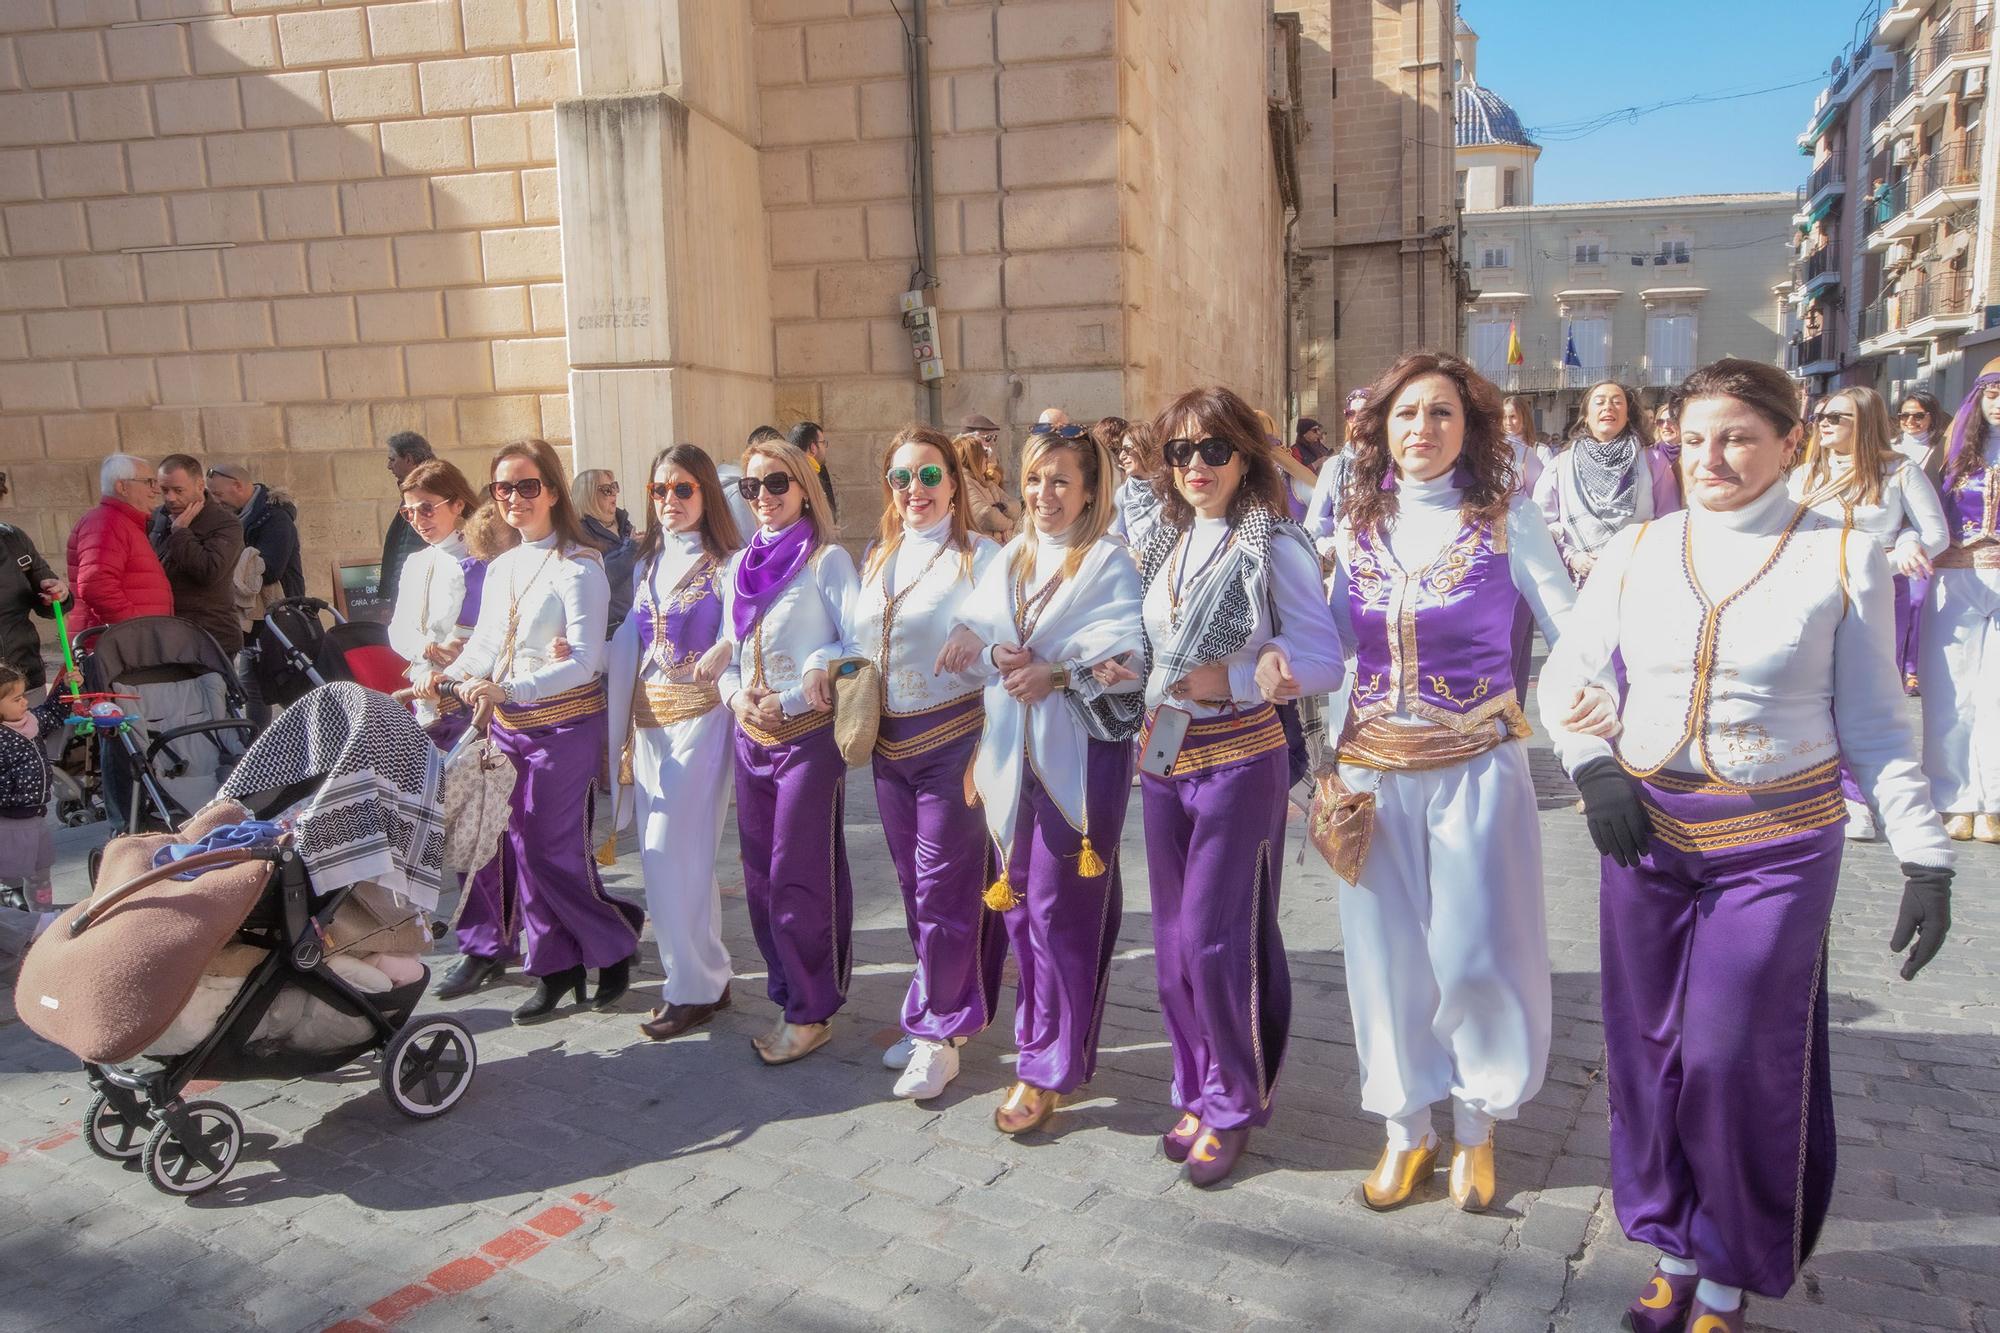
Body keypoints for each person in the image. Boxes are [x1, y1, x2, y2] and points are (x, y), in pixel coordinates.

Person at [1541, 357, 1952, 1333]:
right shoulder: (1637, 546)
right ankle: (1671, 1243)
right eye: (1689, 438)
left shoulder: (1838, 552)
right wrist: (1590, 766)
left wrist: (1924, 855)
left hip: (1774, 842)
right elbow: (1563, 673)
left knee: (1727, 1055)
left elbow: (1878, 723)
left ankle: (1725, 1271)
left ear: (1785, 439)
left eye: (1733, 436)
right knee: (1646, 1051)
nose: (1708, 457)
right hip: (1642, 831)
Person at [1322, 352, 1585, 1215]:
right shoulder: (1358, 528)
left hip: (1478, 767)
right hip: (1371, 774)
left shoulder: (1509, 520)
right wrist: (1316, 737)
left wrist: (1597, 710)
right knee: (1385, 960)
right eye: (1406, 414)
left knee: (1477, 952)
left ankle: (1476, 1128)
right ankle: (1406, 1132)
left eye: (1441, 413)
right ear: (1381, 429)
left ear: (1469, 427)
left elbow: (1572, 630)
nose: (1422, 429)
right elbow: (1334, 650)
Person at [1127, 387, 1344, 1186]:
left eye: (1212, 449)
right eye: (1179, 451)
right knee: (1174, 947)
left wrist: (1259, 675)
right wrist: (1131, 669)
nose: (1195, 466)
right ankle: (1195, 1082)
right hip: (1165, 752)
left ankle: (1233, 1098)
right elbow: (1155, 644)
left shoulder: (1274, 543)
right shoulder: (1161, 543)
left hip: (1242, 756)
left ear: (1246, 455)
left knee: (1220, 940)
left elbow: (1323, 658)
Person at [949, 424, 1144, 1136]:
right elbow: (972, 648)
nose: (1044, 494)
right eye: (1034, 479)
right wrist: (984, 647)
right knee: (1021, 906)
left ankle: (1047, 1064)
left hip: (1079, 759)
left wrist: (1057, 671)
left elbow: (1132, 654)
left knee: (1064, 909)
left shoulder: (1109, 564)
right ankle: (1047, 1042)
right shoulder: (1009, 559)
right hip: (1010, 757)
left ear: (1090, 488)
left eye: (1061, 480)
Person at [427, 440, 643, 1023]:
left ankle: (616, 939)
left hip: (564, 727)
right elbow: (485, 645)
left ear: (551, 489)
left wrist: (510, 690)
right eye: (503, 488)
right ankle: (555, 967)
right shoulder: (502, 567)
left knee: (552, 850)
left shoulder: (581, 567)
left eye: (527, 486)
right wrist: (442, 677)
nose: (515, 499)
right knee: (520, 848)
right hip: (506, 728)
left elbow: (586, 662)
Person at [848, 425, 1005, 1101]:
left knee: (942, 887)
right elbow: (856, 639)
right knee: (918, 893)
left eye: (930, 475)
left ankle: (937, 1034)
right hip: (890, 749)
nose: (916, 490)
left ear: (955, 482)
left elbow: (1022, 631)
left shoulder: (984, 556)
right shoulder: (877, 555)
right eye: (902, 478)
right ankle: (949, 1009)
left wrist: (983, 627)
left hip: (957, 744)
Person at [717, 437, 860, 1065]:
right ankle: (786, 993)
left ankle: (811, 1008)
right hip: (751, 735)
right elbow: (728, 650)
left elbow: (857, 644)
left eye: (778, 484)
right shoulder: (738, 565)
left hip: (807, 737)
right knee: (760, 877)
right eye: (752, 488)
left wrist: (800, 693)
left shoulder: (826, 562)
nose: (765, 499)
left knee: (800, 871)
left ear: (804, 487)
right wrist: (734, 700)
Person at [605, 444, 743, 1042]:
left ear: (706, 493)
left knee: (663, 850)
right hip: (648, 725)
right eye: (660, 491)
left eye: (683, 489)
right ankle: (708, 973)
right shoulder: (645, 563)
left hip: (704, 720)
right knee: (682, 859)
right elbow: (629, 643)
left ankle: (689, 988)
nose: (670, 502)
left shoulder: (731, 564)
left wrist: (730, 648)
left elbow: (750, 632)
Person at [1791, 387, 1947, 840]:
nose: (1822, 423)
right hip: (1812, 593)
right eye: (1820, 415)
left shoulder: (1899, 471)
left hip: (1876, 593)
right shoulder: (1804, 476)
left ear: (1863, 422)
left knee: (1866, 695)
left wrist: (1902, 548)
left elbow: (1935, 533)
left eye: (1835, 417)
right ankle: (1815, 789)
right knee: (1810, 692)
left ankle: (1858, 798)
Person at [388, 460, 511, 1002]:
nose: (417, 519)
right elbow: (399, 626)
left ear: (458, 504)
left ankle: (487, 944)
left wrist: (458, 656)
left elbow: (494, 628)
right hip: (427, 700)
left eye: (427, 508)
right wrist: (422, 654)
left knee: (479, 828)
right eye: (408, 510)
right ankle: (484, 936)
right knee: (449, 828)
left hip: (476, 704)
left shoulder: (488, 557)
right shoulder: (417, 562)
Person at [1922, 368, 2000, 841]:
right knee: (1951, 693)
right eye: (1993, 394)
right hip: (1955, 576)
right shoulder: (1948, 455)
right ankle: (1954, 797)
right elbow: (1920, 511)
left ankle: (1994, 799)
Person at [1533, 380, 1679, 584]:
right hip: (1577, 583)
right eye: (1599, 402)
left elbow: (1670, 522)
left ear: (1628, 415)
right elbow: (1542, 524)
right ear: (1585, 417)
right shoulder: (1560, 465)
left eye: (1617, 402)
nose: (1608, 407)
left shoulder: (1653, 461)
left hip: (1637, 580)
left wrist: (1636, 557)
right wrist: (1572, 557)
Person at [206, 461, 302, 725]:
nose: (214, 500)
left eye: (218, 493)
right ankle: (258, 746)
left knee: (286, 686)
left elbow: (270, 569)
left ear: (238, 486)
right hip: (254, 621)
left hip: (279, 618)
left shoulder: (275, 518)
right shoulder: (235, 518)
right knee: (253, 688)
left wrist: (229, 560)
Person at [0, 662, 81, 917]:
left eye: (23, 695)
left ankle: (42, 916)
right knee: (9, 874)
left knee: (40, 871)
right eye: (16, 699)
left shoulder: (30, 721)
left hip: (36, 816)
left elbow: (53, 712)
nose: (24, 702)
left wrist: (65, 687)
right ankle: (10, 921)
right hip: (9, 820)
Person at [148, 455, 247, 657]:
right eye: (164, 490)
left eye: (178, 490)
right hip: (167, 634)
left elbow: (209, 571)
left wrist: (181, 533)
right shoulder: (159, 516)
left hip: (210, 636)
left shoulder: (225, 523)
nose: (170, 498)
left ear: (200, 485)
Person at [67, 456, 172, 635]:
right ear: (122, 487)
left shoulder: (124, 523)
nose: (155, 490)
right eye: (149, 482)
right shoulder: (107, 523)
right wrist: (139, 632)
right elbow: (97, 586)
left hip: (129, 646)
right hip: (118, 647)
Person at [1894, 388, 1950, 692]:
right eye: (1904, 415)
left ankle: (1912, 668)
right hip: (1894, 535)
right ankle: (1896, 664)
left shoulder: (1944, 451)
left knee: (1917, 602)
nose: (1910, 421)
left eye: (1918, 415)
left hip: (1927, 536)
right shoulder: (1888, 449)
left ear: (1932, 417)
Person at [0, 472, 70, 703]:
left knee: (32, 738)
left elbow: (50, 601)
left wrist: (58, 594)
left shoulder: (13, 540)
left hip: (24, 680)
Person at [1303, 387, 1371, 546]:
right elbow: (1313, 528)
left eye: (1365, 413)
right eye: (1351, 414)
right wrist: (1332, 550)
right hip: (1347, 561)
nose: (1357, 420)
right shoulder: (1333, 467)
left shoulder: (1396, 465)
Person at [575, 468, 638, 636]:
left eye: (615, 487)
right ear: (588, 496)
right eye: (607, 490)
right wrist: (632, 548)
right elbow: (599, 575)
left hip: (636, 620)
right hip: (608, 628)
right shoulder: (580, 534)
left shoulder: (624, 523)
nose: (614, 494)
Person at [381, 431, 435, 605]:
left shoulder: (432, 489)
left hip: (423, 592)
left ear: (409, 459)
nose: (389, 466)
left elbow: (411, 548)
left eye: (392, 459)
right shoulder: (413, 491)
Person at [1109, 420, 1165, 553]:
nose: (1122, 456)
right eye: (1121, 450)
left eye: (1127, 449)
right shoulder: (1122, 494)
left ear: (1145, 448)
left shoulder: (1171, 488)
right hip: (1136, 568)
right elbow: (1117, 538)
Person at [955, 430, 1021, 543]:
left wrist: (1003, 507)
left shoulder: (986, 483)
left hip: (999, 545)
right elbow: (984, 515)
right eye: (984, 455)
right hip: (982, 549)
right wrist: (1009, 524)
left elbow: (1016, 506)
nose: (987, 458)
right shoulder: (964, 483)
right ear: (973, 458)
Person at [788, 420, 838, 523]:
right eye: (823, 443)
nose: (825, 447)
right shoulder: (805, 475)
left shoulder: (788, 471)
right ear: (813, 448)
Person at [1499, 395, 1544, 497]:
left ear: (1524, 417)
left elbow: (1539, 495)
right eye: (1504, 417)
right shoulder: (1494, 446)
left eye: (1513, 417)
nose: (1508, 422)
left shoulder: (1532, 451)